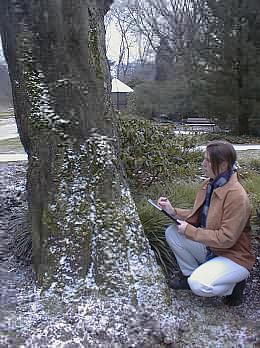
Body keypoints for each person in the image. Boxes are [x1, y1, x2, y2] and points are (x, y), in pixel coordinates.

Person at [158, 140, 255, 306]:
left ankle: (234, 286)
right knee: (173, 232)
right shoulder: (209, 185)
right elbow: (198, 215)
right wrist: (173, 211)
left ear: (223, 164)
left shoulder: (237, 196)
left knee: (200, 285)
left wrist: (191, 231)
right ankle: (189, 276)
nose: (203, 164)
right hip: (212, 248)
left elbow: (227, 238)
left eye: (208, 160)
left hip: (233, 256)